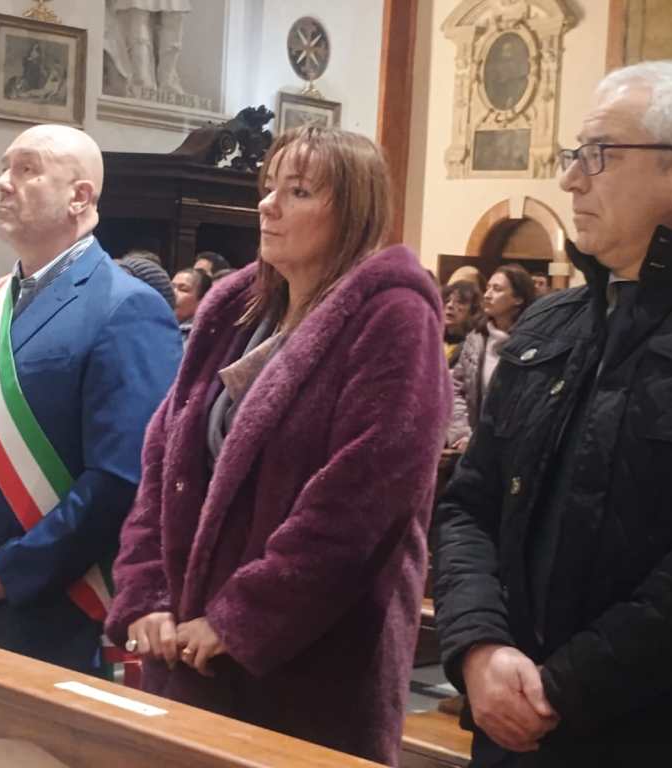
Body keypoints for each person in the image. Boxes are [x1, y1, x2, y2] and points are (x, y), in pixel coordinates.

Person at [105, 126, 450, 764]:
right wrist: (147, 593)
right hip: (184, 643)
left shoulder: (394, 317)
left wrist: (241, 618)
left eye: (297, 192)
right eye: (270, 187)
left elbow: (359, 502)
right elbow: (164, 453)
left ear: (352, 212)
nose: (268, 205)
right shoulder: (234, 308)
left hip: (309, 663)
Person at [434, 60, 672, 767]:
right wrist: (480, 646)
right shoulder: (551, 326)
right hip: (507, 716)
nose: (572, 178)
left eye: (598, 155)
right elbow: (468, 505)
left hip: (652, 732)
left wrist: (567, 687)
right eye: (572, 156)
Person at [0, 124, 182, 674]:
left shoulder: (126, 306)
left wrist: (11, 569)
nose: (1, 182)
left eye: (26, 169)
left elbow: (121, 477)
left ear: (79, 196)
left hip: (54, 613)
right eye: (5, 166)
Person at [446, 264, 535, 449]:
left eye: (497, 289)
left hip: (514, 447)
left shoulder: (532, 343)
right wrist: (463, 433)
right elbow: (457, 389)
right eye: (487, 288)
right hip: (472, 445)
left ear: (518, 298)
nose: (487, 295)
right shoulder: (476, 340)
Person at [442, 279, 482, 367]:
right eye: (447, 300)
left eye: (459, 302)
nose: (450, 305)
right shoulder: (434, 337)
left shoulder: (475, 346)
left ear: (473, 310)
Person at [170, 266, 211, 341]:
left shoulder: (204, 335)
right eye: (171, 287)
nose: (173, 293)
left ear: (202, 299)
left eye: (183, 289)